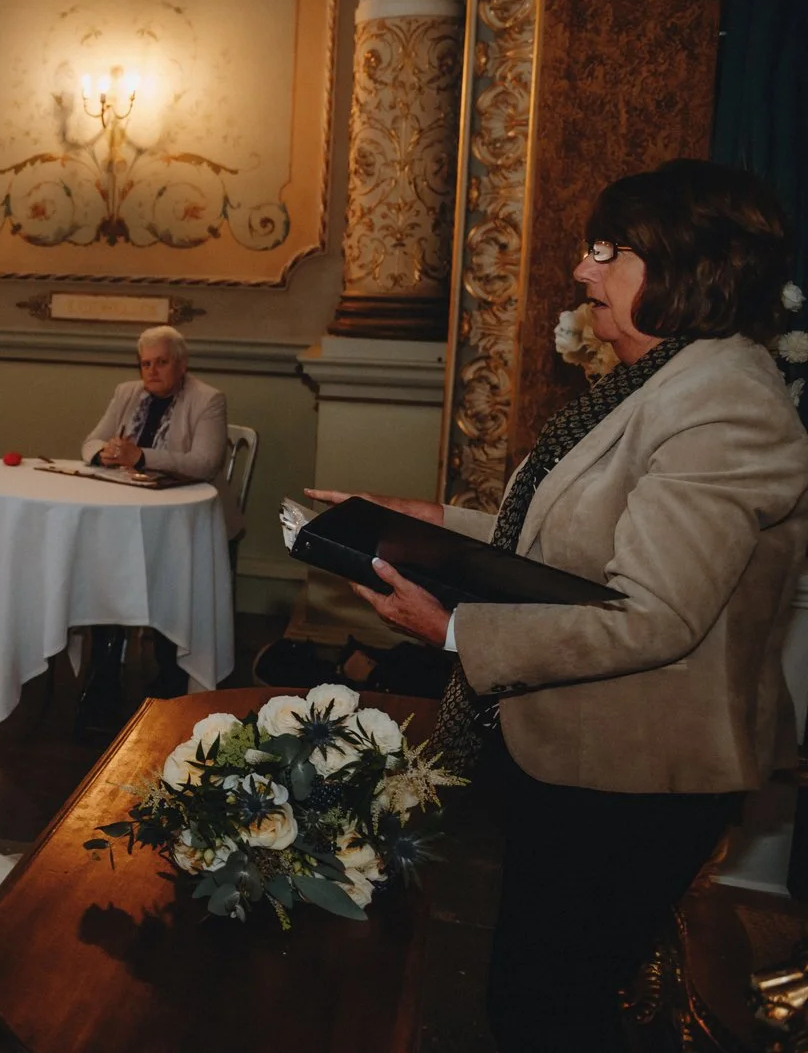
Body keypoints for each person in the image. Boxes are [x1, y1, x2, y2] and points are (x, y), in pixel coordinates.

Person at [314, 159, 808, 1052]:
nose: (583, 272)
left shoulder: (724, 403)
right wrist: (434, 522)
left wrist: (455, 628)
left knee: (550, 1009)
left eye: (608, 251)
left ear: (689, 266)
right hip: (584, 752)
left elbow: (651, 614)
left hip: (640, 771)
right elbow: (582, 540)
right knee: (538, 989)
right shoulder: (657, 378)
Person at [76, 323, 237, 701]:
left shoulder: (208, 398)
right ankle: (105, 662)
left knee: (169, 568)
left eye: (161, 362)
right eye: (145, 363)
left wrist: (142, 456)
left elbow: (206, 462)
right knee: (103, 560)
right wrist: (106, 453)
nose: (151, 371)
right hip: (130, 509)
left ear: (181, 364)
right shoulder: (127, 392)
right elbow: (91, 441)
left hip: (190, 519)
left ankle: (174, 670)